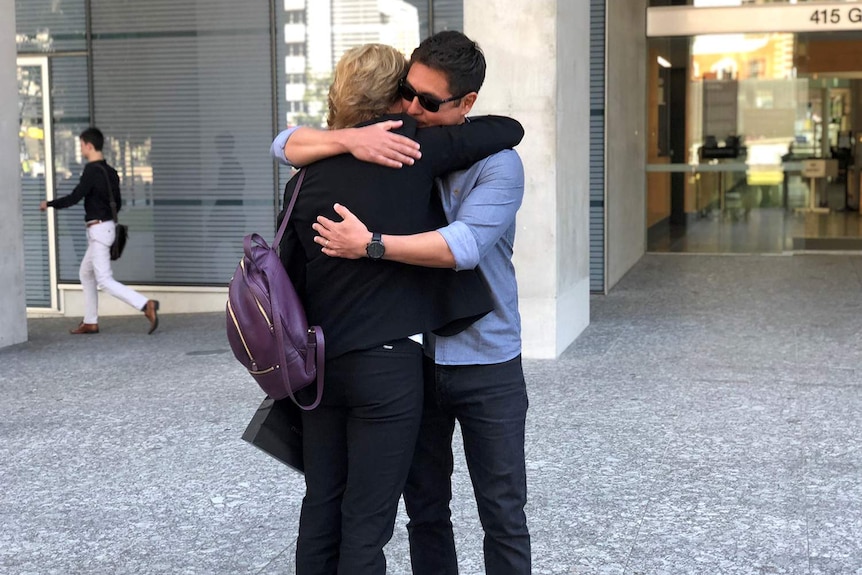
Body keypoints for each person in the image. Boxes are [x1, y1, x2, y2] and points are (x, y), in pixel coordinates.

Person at [272, 31, 530, 575]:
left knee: (502, 513)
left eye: (428, 102)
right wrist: (351, 140)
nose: (414, 109)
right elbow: (282, 141)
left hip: (484, 360)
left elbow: (462, 245)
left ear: (466, 104)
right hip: (416, 358)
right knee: (420, 513)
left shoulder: (491, 163)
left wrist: (370, 245)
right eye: (406, 94)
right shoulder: (404, 147)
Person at [40, 128, 159, 335]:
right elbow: (118, 203)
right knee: (86, 273)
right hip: (108, 227)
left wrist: (49, 204)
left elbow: (75, 197)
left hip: (98, 229)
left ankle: (145, 304)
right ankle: (90, 321)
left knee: (104, 280)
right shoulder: (111, 172)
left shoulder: (92, 171)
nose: (81, 149)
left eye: (81, 145)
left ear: (88, 145)